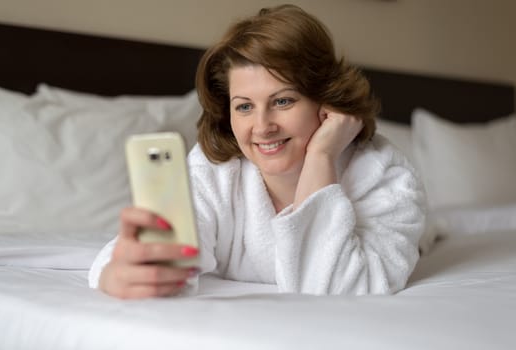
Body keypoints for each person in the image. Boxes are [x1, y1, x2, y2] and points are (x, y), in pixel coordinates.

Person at [89, 4, 426, 299]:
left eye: (283, 101)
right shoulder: (216, 171)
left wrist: (321, 157)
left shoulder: (384, 176)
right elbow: (159, 259)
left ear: (326, 101)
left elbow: (336, 291)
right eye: (245, 106)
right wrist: (115, 272)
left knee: (430, 233)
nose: (263, 126)